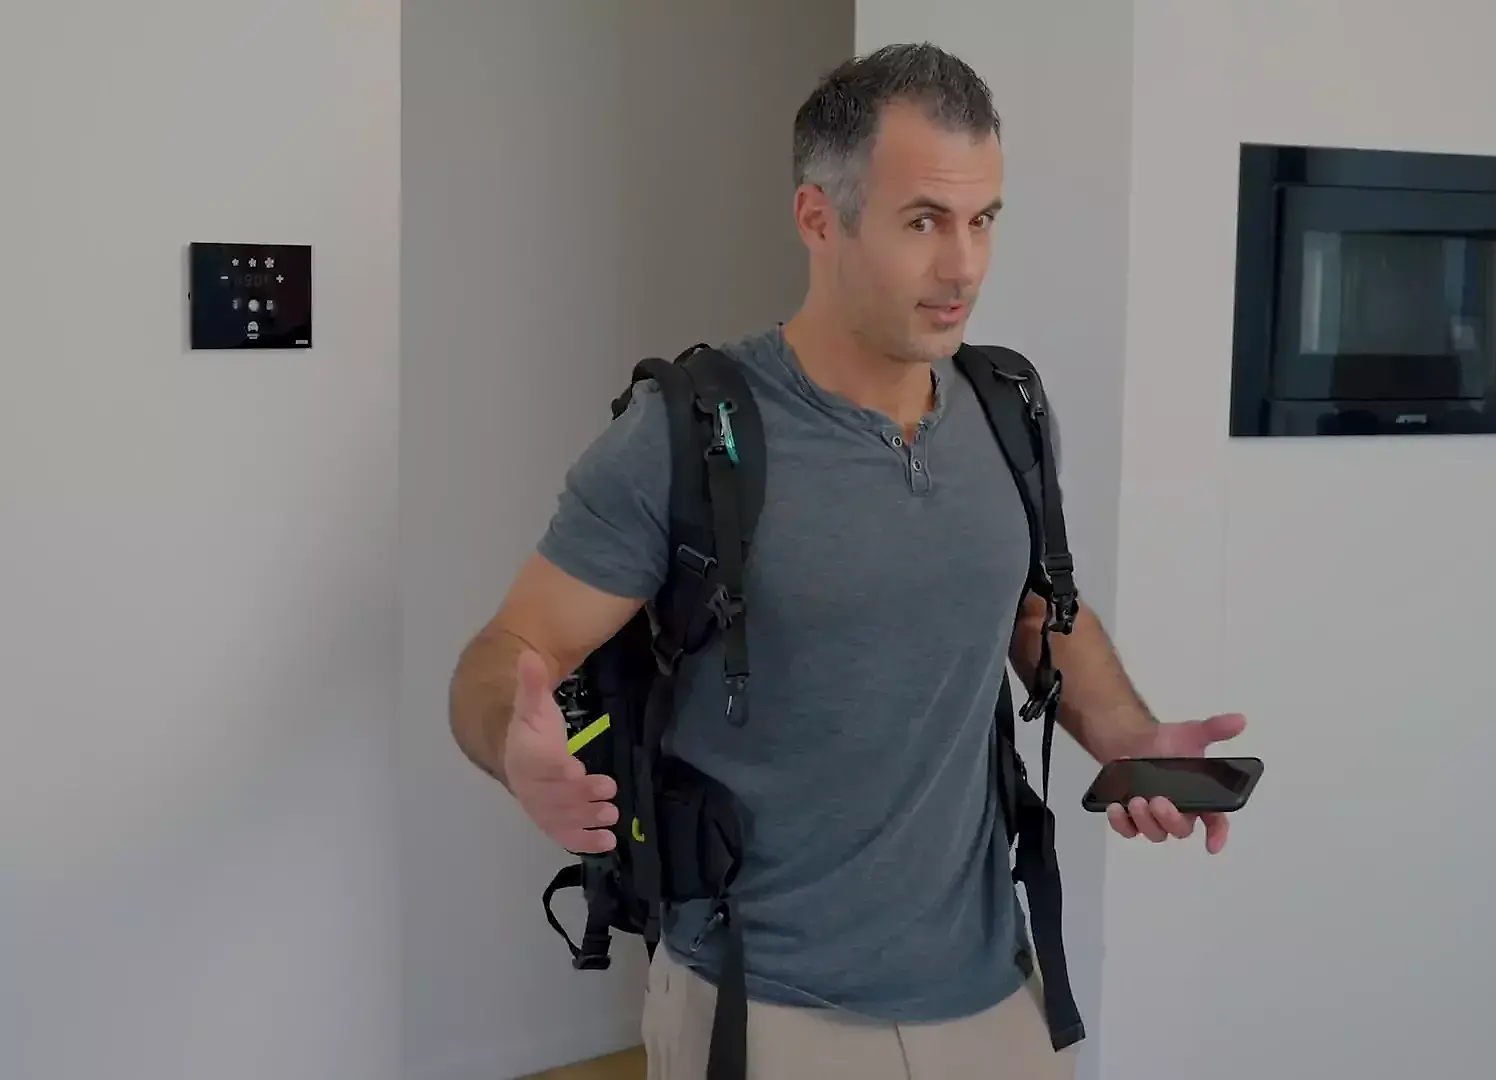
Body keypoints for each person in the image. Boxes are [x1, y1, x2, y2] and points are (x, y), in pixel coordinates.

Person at [448, 41, 1248, 1080]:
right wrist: (513, 751)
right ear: (819, 218)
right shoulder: (686, 435)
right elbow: (508, 649)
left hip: (992, 993)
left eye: (983, 220)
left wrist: (1132, 739)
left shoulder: (1007, 409)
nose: (965, 266)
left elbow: (1036, 610)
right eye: (924, 221)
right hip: (766, 1006)